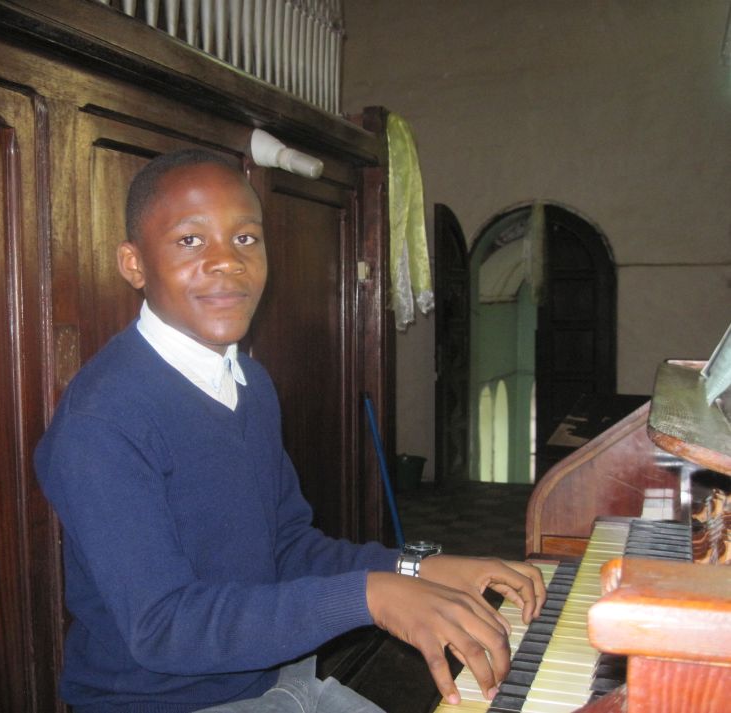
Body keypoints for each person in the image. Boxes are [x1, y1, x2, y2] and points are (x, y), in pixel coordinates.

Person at [34, 149, 546, 713]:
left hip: (279, 679)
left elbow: (285, 547)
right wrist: (371, 597)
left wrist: (417, 567)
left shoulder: (248, 381)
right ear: (134, 264)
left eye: (246, 239)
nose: (227, 261)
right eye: (190, 241)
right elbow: (163, 627)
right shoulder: (102, 422)